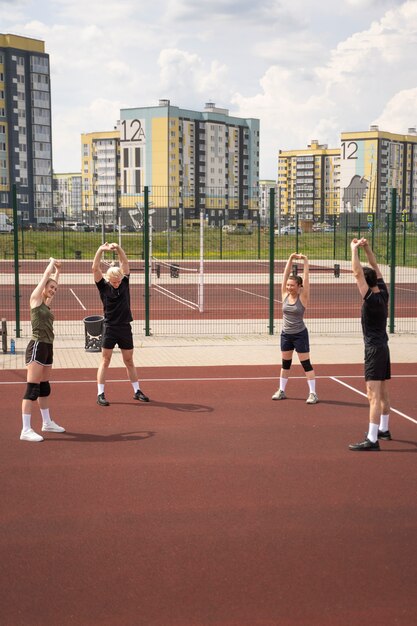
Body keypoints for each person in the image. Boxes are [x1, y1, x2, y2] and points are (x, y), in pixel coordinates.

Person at [92, 242, 149, 406]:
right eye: (114, 281)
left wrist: (118, 249)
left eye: (118, 280)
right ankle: (100, 394)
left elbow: (125, 263)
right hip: (110, 327)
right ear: (109, 279)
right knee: (105, 360)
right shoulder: (103, 286)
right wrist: (100, 250)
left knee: (129, 360)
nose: (117, 283)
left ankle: (137, 391)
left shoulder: (124, 283)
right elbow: (95, 268)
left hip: (125, 327)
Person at [349, 238, 391, 451]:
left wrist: (353, 249)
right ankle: (384, 428)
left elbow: (357, 273)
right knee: (382, 391)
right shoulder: (383, 293)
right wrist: (367, 249)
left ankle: (372, 439)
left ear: (366, 282)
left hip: (374, 349)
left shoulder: (371, 301)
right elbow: (374, 266)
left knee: (372, 395)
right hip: (383, 347)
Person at [20, 258, 66, 442]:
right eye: (51, 287)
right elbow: (46, 277)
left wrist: (59, 271)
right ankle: (25, 429)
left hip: (48, 346)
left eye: (55, 288)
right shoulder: (36, 300)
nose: (53, 290)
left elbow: (53, 281)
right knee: (32, 388)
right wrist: (51, 263)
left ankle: (47, 423)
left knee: (44, 387)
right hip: (37, 345)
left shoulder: (46, 304)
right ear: (44, 287)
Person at [272, 252, 318, 404]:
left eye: (292, 285)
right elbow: (284, 276)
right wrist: (290, 259)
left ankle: (313, 393)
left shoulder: (303, 297)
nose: (289, 286)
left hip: (300, 335)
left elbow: (306, 278)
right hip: (286, 334)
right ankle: (281, 390)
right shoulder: (285, 294)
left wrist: (305, 261)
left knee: (306, 364)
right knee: (285, 363)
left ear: (299, 287)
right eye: (288, 285)